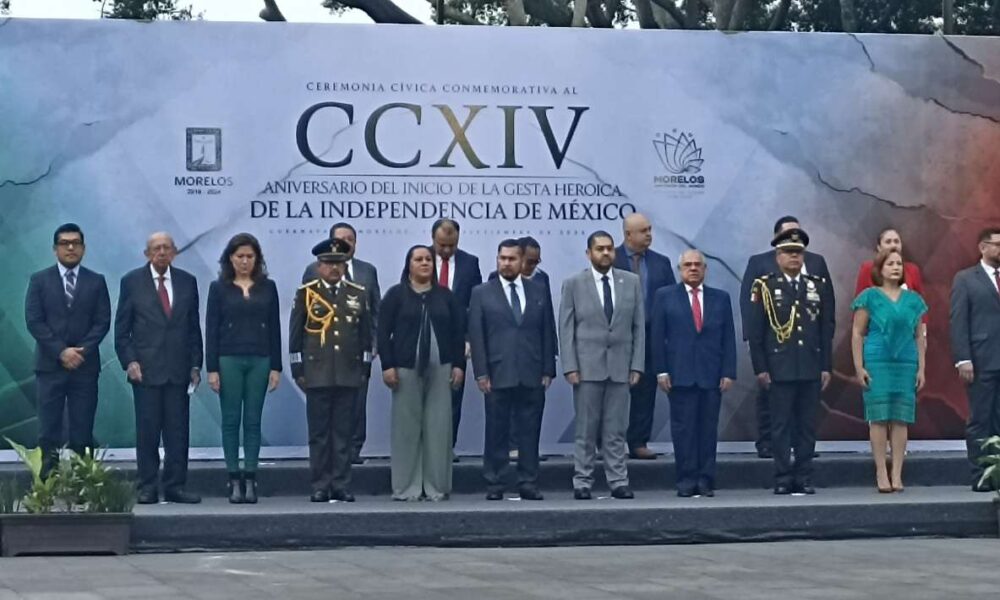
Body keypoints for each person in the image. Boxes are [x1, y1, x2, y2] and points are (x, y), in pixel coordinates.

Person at [114, 232, 203, 504]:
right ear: (147, 254)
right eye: (156, 248)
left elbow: (193, 329)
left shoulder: (188, 282)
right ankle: (147, 486)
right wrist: (130, 362)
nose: (161, 252)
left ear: (174, 252)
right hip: (146, 371)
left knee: (178, 433)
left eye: (166, 248)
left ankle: (176, 485)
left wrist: (196, 364)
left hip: (178, 370)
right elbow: (122, 331)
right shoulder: (131, 282)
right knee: (148, 432)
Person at [747, 228, 834, 495]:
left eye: (798, 253)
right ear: (778, 256)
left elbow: (826, 327)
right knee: (781, 425)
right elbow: (756, 331)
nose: (794, 258)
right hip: (778, 368)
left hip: (809, 366)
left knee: (807, 426)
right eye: (788, 253)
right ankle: (783, 476)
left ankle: (804, 476)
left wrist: (825, 366)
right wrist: (760, 367)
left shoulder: (817, 285)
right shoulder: (766, 286)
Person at [559, 231, 644, 500]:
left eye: (609, 249)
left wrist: (637, 365)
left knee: (616, 429)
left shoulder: (630, 282)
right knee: (586, 429)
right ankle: (582, 481)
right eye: (599, 249)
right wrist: (570, 365)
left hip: (620, 366)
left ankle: (618, 480)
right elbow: (566, 327)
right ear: (589, 253)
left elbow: (638, 327)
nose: (605, 253)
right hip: (586, 367)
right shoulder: (574, 283)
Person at [469, 239, 556, 501]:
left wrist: (548, 369)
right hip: (497, 372)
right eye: (502, 258)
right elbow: (477, 335)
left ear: (521, 261)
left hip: (531, 370)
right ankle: (495, 483)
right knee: (496, 431)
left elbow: (546, 331)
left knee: (530, 431)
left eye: (511, 258)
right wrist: (481, 372)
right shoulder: (482, 292)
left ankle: (528, 481)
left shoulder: (538, 290)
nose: (506, 263)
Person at [379, 245, 466, 501]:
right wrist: (387, 366)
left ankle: (436, 487)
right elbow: (383, 334)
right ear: (409, 265)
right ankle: (407, 488)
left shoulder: (446, 297)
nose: (425, 263)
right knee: (406, 429)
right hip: (405, 368)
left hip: (441, 369)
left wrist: (459, 365)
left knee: (438, 427)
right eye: (419, 259)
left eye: (428, 259)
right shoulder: (395, 296)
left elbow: (458, 334)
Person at [24, 223, 111, 476]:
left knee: (82, 430)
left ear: (83, 248)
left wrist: (80, 352)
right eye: (64, 243)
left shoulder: (96, 281)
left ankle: (83, 485)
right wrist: (61, 351)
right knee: (48, 430)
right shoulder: (39, 280)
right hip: (50, 367)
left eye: (76, 243)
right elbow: (34, 321)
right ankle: (47, 486)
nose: (70, 247)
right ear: (55, 249)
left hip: (85, 368)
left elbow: (102, 321)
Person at [290, 237, 372, 503]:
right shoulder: (307, 292)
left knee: (343, 433)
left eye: (339, 263)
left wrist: (365, 368)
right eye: (328, 263)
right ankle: (320, 484)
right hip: (317, 372)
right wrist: (298, 370)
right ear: (319, 265)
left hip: (348, 372)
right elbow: (295, 336)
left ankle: (341, 484)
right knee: (319, 434)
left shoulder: (357, 292)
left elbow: (365, 336)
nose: (334, 269)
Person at [651, 250, 736, 497]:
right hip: (679, 374)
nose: (693, 268)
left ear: (705, 269)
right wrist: (661, 371)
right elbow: (657, 337)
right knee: (684, 430)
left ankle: (706, 479)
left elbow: (728, 338)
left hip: (711, 375)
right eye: (688, 265)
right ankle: (686, 479)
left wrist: (728, 371)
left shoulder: (720, 298)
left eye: (698, 264)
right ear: (680, 270)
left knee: (708, 430)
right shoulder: (665, 297)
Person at [205, 233, 282, 504]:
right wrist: (211, 368)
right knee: (230, 420)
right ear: (230, 259)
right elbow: (211, 329)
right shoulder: (219, 288)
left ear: (257, 259)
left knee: (252, 420)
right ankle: (233, 477)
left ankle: (251, 476)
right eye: (240, 257)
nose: (245, 261)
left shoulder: (268, 287)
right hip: (229, 359)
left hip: (260, 358)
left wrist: (276, 366)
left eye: (250, 257)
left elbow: (275, 327)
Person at [302, 222, 380, 465]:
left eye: (351, 239)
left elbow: (375, 311)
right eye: (342, 238)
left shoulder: (368, 271)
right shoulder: (313, 270)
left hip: (356, 350)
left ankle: (353, 449)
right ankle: (328, 458)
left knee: (356, 404)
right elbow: (305, 314)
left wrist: (373, 344)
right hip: (324, 353)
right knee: (327, 411)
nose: (347, 243)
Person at [851, 249, 927, 493]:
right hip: (877, 360)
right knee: (879, 417)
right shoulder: (869, 297)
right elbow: (857, 333)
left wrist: (921, 368)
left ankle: (897, 473)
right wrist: (859, 366)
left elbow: (920, 337)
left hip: (905, 362)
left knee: (901, 418)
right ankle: (881, 472)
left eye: (899, 264)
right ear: (879, 269)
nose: (896, 267)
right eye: (890, 263)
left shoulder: (914, 300)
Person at [613, 213, 676, 460]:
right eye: (643, 230)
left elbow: (671, 299)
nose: (649, 234)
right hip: (617, 335)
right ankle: (606, 443)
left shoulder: (661, 263)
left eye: (650, 229)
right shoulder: (611, 258)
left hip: (651, 335)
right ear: (628, 235)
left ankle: (638, 441)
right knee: (613, 391)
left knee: (646, 389)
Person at [949, 226, 1000, 492]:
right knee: (981, 419)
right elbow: (958, 321)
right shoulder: (966, 279)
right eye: (997, 245)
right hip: (981, 360)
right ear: (983, 247)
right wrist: (963, 359)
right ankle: (981, 475)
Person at [431, 219, 481, 456]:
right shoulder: (420, 259)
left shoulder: (470, 263)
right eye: (442, 245)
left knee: (453, 397)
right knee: (427, 397)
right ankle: (426, 449)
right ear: (433, 240)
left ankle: (446, 449)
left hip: (456, 340)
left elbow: (476, 304)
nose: (447, 250)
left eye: (452, 245)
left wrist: (469, 339)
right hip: (426, 338)